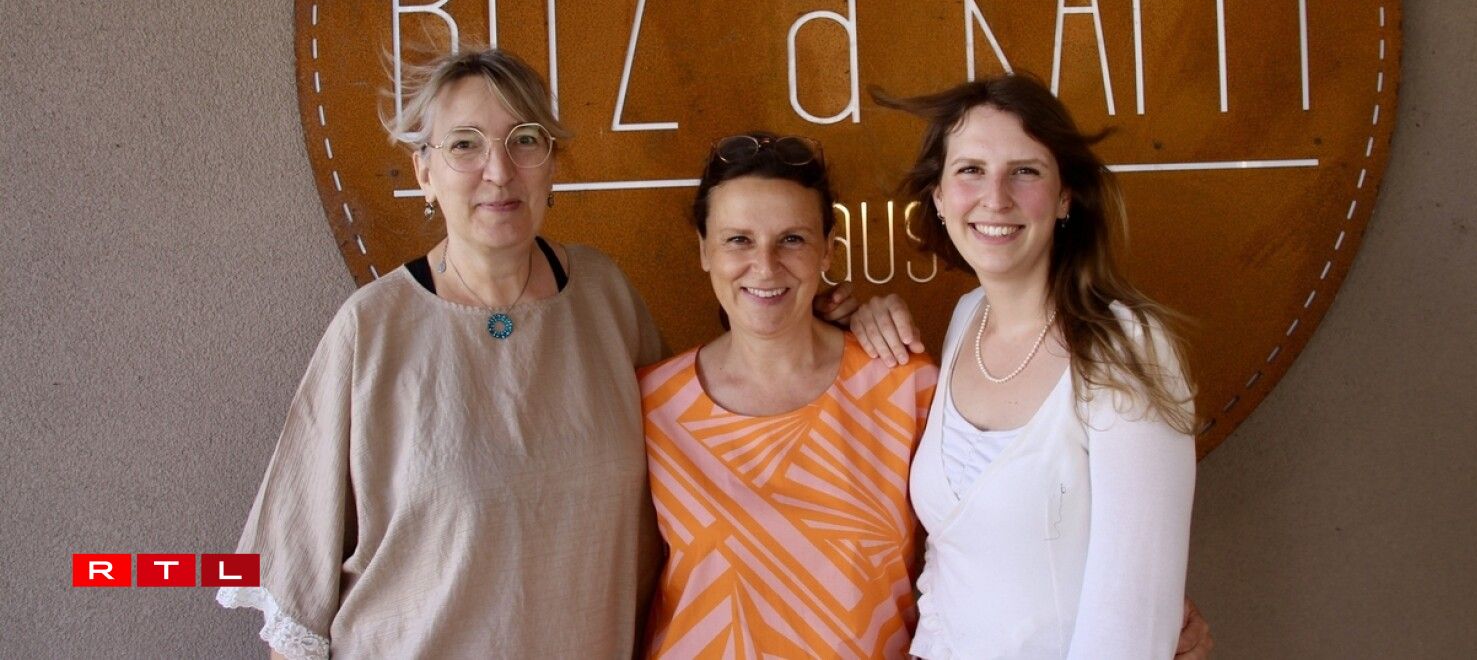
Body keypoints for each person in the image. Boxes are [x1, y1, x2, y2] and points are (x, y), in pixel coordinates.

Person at [217, 49, 665, 657]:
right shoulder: (371, 328)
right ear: (424, 172)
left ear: (551, 162)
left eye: (524, 140)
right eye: (464, 145)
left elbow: (690, 483)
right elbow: (297, 580)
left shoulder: (608, 299)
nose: (499, 171)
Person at [849, 74, 1199, 659]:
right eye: (970, 170)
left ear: (1064, 197)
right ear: (938, 197)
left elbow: (1133, 620)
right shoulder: (967, 319)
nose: (996, 197)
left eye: (1025, 171)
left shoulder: (1126, 349)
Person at [638, 133, 938, 658]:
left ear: (828, 249)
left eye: (792, 239)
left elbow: (965, 568)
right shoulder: (652, 404)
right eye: (738, 240)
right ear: (704, 250)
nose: (766, 265)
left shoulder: (903, 385)